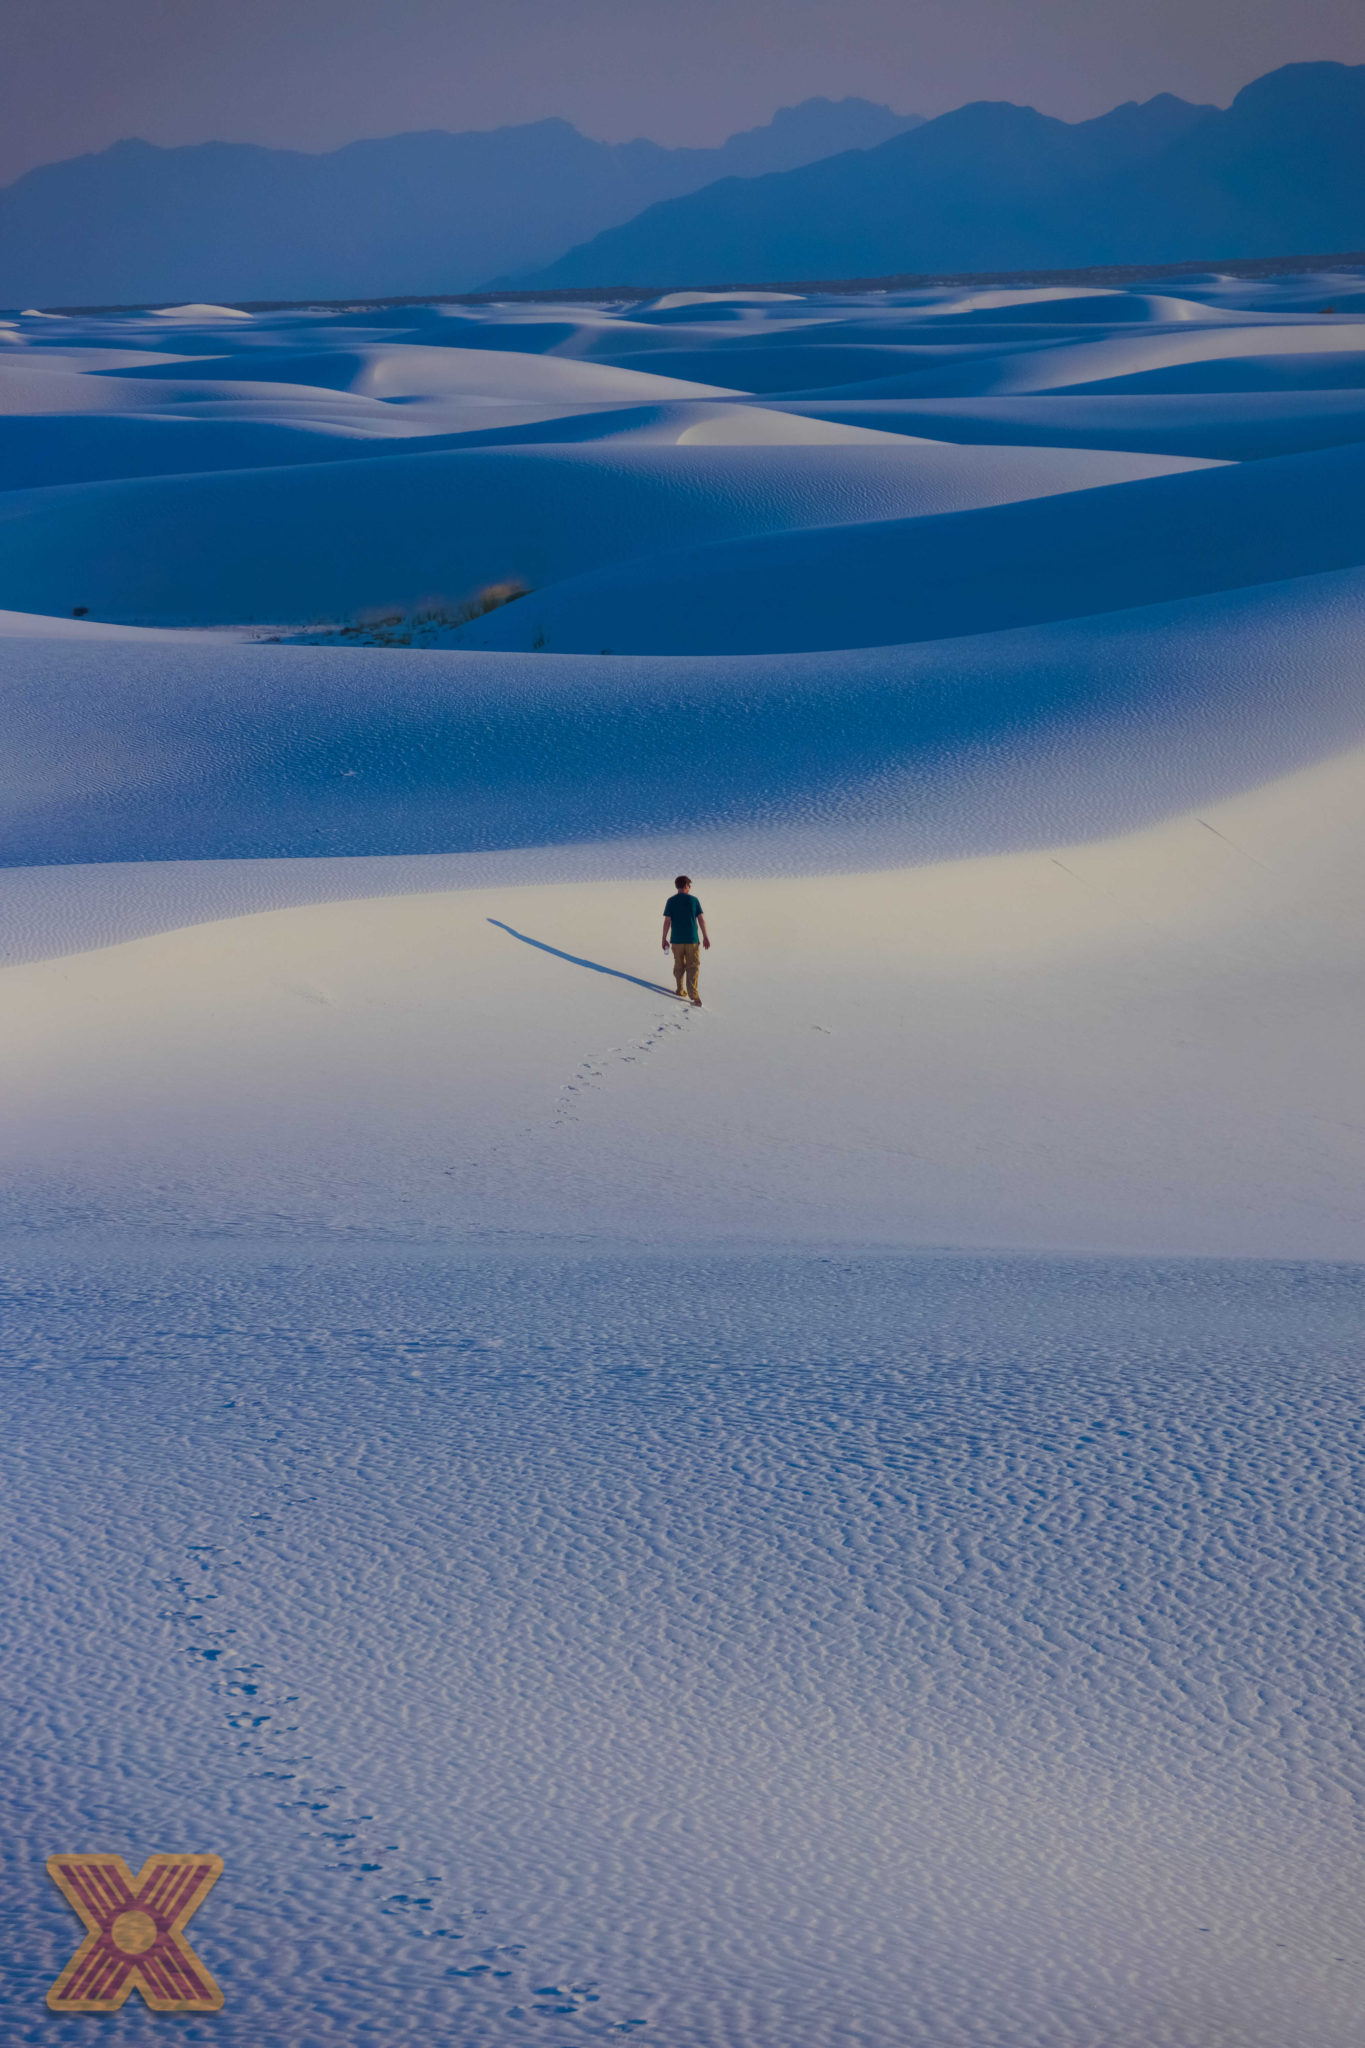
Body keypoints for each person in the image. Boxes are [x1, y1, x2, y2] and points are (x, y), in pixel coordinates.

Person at [661, 875, 709, 1005]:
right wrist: (705, 936)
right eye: (689, 885)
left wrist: (664, 938)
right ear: (686, 886)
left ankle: (680, 989)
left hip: (676, 939)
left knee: (679, 965)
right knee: (693, 966)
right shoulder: (694, 900)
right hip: (692, 939)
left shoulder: (671, 901)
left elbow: (667, 921)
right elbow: (701, 919)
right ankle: (693, 994)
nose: (690, 888)